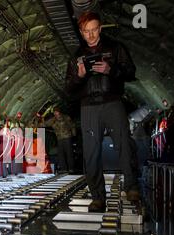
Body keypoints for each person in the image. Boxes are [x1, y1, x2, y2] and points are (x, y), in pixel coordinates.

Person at [65, 11, 140, 211]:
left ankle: (131, 186)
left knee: (123, 143)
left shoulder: (115, 48)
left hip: (112, 102)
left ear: (100, 28)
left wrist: (111, 70)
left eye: (94, 30)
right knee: (91, 152)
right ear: (81, 32)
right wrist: (79, 76)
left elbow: (131, 72)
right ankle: (98, 197)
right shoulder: (76, 56)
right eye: (86, 31)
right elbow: (69, 89)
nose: (90, 35)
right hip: (88, 106)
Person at [42, 107, 76, 173]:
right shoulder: (53, 120)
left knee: (69, 153)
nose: (55, 113)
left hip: (67, 138)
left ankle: (71, 168)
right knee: (61, 154)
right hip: (59, 139)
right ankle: (64, 169)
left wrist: (73, 135)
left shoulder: (66, 117)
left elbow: (72, 125)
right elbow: (45, 124)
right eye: (54, 112)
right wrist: (35, 125)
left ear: (59, 112)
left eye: (56, 111)